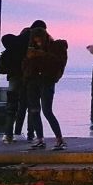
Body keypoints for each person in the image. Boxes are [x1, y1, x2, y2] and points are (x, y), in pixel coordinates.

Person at [21, 21, 68, 150]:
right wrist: (29, 62)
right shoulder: (31, 49)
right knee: (34, 110)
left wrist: (43, 55)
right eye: (35, 40)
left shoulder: (55, 47)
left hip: (46, 80)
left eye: (39, 39)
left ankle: (59, 139)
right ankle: (40, 139)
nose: (38, 42)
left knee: (47, 111)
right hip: (33, 81)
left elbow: (58, 62)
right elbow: (25, 65)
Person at [0, 27, 31, 143]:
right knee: (26, 107)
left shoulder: (12, 46)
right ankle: (22, 134)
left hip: (13, 78)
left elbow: (5, 39)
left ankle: (8, 135)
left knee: (11, 108)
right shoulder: (28, 48)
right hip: (26, 79)